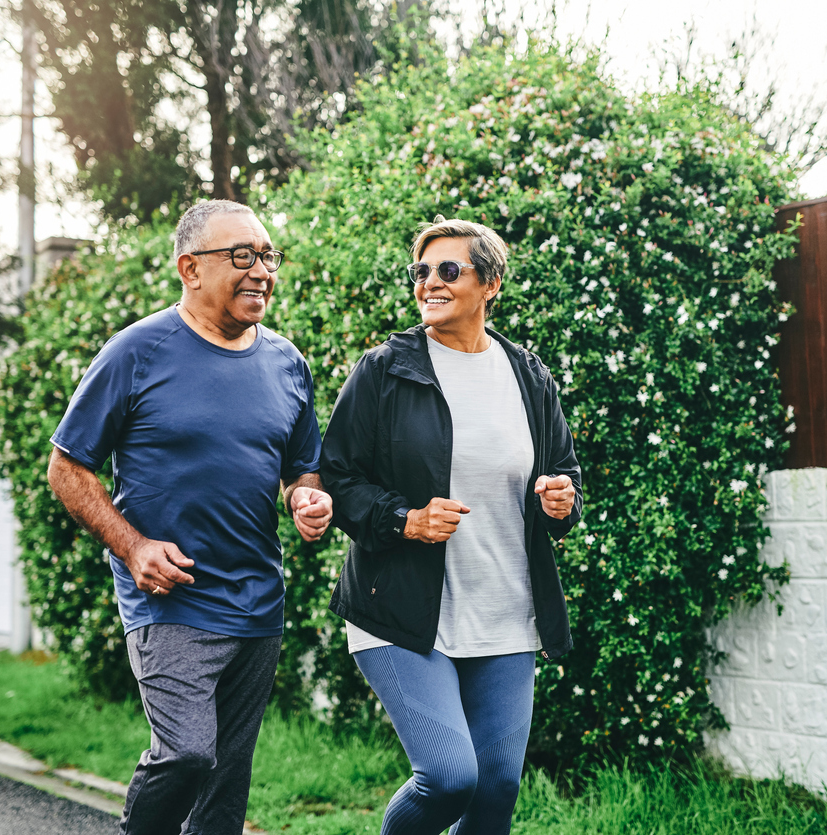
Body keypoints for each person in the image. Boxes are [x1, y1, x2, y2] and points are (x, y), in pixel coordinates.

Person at [46, 199, 333, 835]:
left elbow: (300, 468)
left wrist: (306, 499)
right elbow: (67, 468)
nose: (261, 270)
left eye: (267, 256)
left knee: (226, 785)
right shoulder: (137, 352)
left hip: (258, 597)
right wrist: (132, 546)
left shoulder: (287, 362)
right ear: (190, 268)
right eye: (242, 256)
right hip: (170, 596)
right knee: (186, 753)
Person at [320, 216, 582, 834]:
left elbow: (563, 472)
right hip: (404, 615)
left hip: (504, 615)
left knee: (494, 791)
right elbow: (337, 476)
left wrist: (560, 499)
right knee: (448, 777)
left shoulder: (528, 374)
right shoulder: (385, 369)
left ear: (489, 283)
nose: (428, 283)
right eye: (420, 272)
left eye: (447, 270)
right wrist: (405, 519)